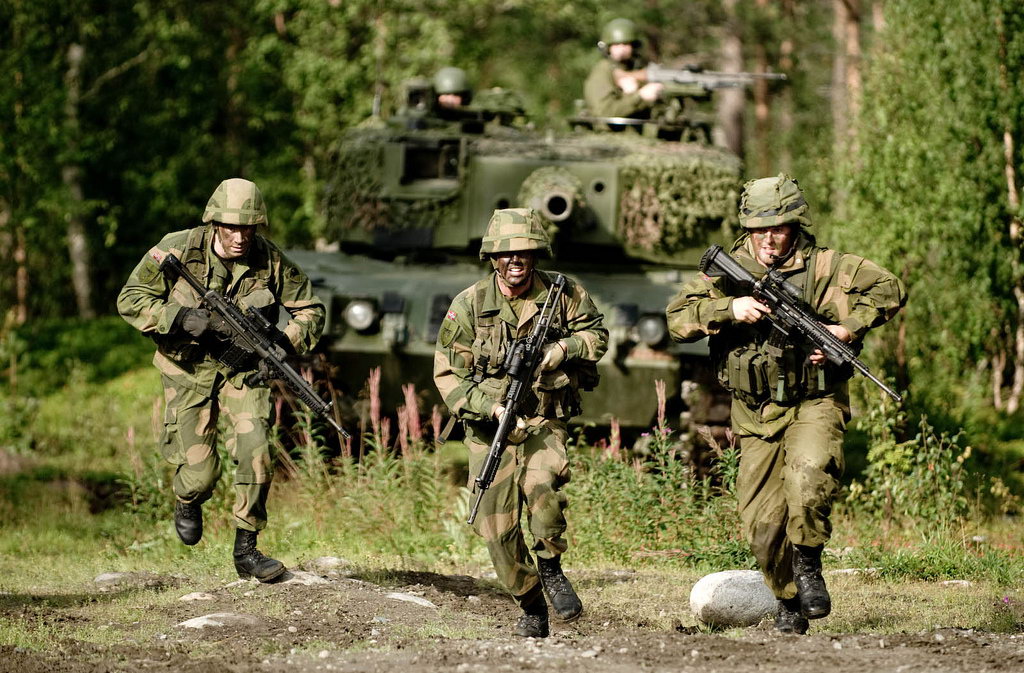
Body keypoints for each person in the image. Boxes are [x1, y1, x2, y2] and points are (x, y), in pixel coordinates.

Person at [665, 174, 907, 634]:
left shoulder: (829, 267)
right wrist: (729, 310)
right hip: (755, 411)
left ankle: (809, 563)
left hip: (815, 400)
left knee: (809, 476)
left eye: (778, 228)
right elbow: (677, 319)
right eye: (759, 229)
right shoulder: (726, 271)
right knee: (762, 528)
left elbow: (890, 289)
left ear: (796, 226)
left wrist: (847, 329)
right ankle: (788, 598)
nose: (769, 238)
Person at [117, 178, 326, 583]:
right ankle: (187, 498)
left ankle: (246, 550)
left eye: (248, 228)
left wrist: (283, 343)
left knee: (257, 448)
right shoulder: (178, 248)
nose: (240, 237)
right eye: (231, 227)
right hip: (187, 371)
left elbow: (311, 310)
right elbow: (130, 299)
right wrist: (178, 318)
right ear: (214, 222)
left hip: (242, 372)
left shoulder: (270, 260)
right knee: (200, 476)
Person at [433, 208, 608, 638]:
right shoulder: (469, 305)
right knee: (495, 528)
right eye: (506, 253)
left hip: (544, 418)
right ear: (493, 258)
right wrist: (491, 408)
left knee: (542, 490)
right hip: (489, 425)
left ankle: (550, 565)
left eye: (525, 252)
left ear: (535, 255)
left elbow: (597, 335)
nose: (516, 260)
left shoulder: (564, 293)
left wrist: (563, 349)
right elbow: (448, 375)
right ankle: (531, 604)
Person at [584, 17, 664, 118]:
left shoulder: (637, 67)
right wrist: (640, 96)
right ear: (608, 47)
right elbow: (604, 113)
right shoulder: (603, 70)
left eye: (626, 44)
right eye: (616, 44)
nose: (621, 49)